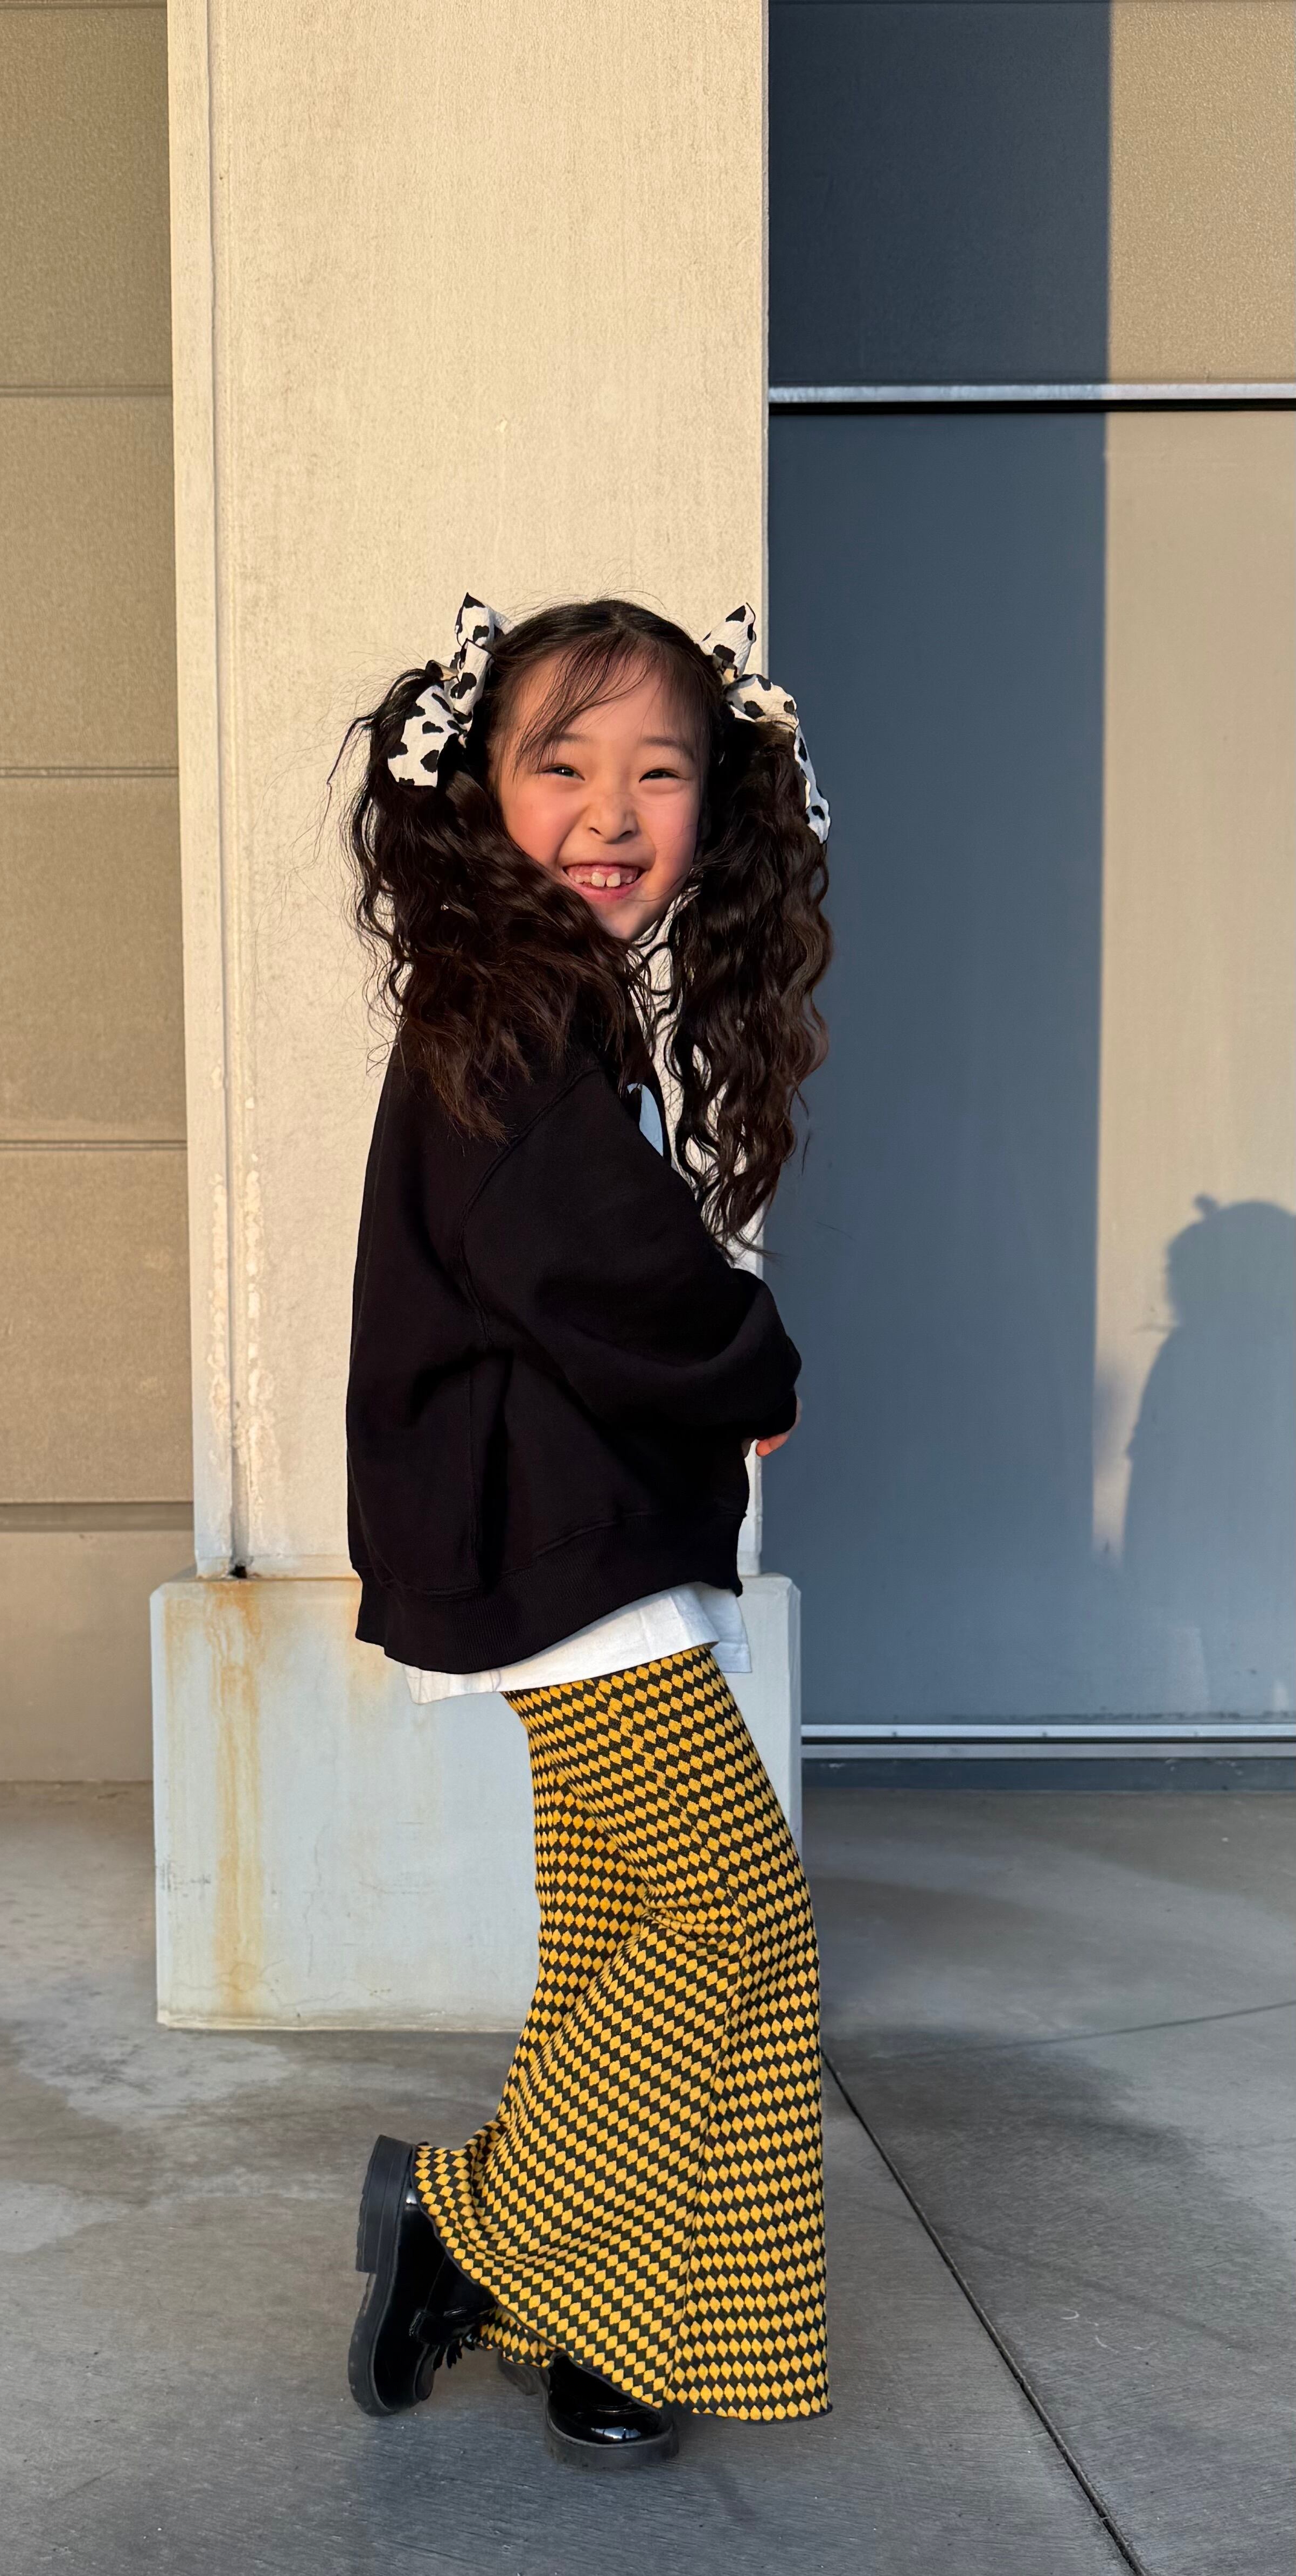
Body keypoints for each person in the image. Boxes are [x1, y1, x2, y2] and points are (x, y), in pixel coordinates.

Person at [340, 594, 833, 2470]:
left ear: (723, 806)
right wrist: (748, 1356)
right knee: (731, 1913)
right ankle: (470, 2225)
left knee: (626, 1922)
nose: (612, 813)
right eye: (562, 764)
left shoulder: (540, 991)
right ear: (480, 784)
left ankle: (606, 2317)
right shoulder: (514, 1002)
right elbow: (585, 1257)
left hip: (570, 1516)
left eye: (660, 772)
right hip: (554, 1522)